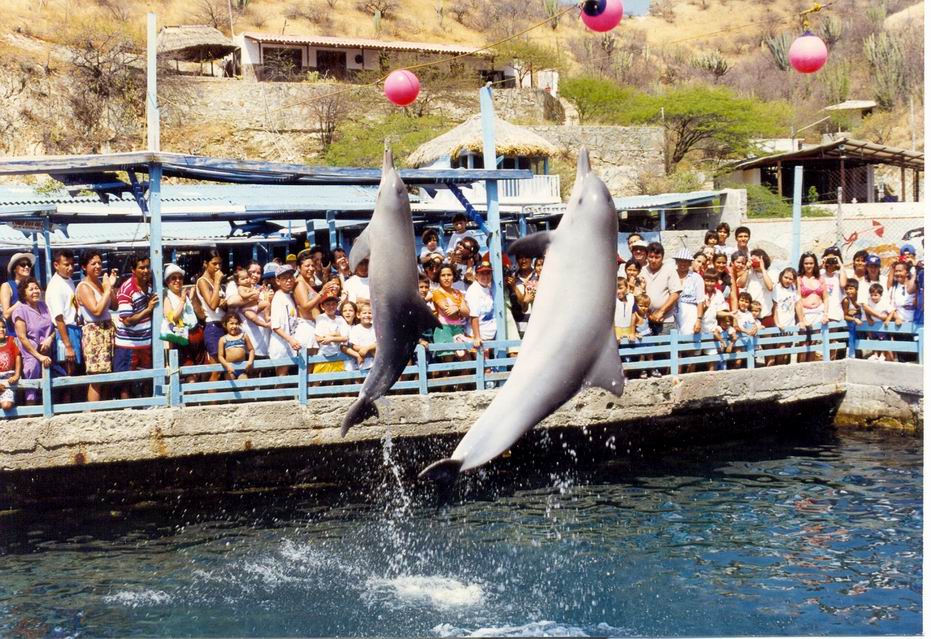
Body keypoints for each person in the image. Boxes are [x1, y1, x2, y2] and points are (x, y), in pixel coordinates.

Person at [114, 255, 158, 398]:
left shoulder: (152, 285)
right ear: (133, 270)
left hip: (146, 342)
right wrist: (148, 309)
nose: (146, 271)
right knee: (125, 382)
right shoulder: (127, 289)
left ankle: (147, 408)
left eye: (147, 267)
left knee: (146, 379)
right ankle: (127, 410)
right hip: (128, 344)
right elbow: (127, 320)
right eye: (141, 267)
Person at [76, 250, 118, 401]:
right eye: (93, 263)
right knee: (96, 377)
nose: (97, 266)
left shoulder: (101, 284)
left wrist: (110, 287)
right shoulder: (83, 286)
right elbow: (97, 310)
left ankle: (105, 411)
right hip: (94, 332)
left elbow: (114, 305)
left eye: (99, 263)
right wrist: (107, 289)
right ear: (83, 267)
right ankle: (93, 414)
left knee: (107, 376)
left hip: (107, 330)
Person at [12, 277, 54, 405]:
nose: (35, 291)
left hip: (48, 350)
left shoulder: (44, 306)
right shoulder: (20, 310)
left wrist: (49, 339)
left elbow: (54, 328)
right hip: (30, 353)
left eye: (37, 288)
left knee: (57, 375)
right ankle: (31, 415)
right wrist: (39, 356)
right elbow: (22, 337)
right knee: (33, 372)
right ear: (24, 293)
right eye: (31, 289)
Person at [45, 250, 82, 383]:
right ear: (56, 265)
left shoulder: (69, 281)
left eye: (72, 264)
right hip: (65, 332)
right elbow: (59, 318)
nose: (70, 268)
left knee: (76, 371)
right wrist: (68, 346)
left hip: (76, 329)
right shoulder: (56, 286)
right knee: (68, 373)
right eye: (66, 265)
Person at [163, 264, 204, 378]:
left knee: (201, 373)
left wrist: (192, 298)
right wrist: (182, 301)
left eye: (180, 278)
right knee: (189, 375)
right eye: (173, 278)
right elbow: (172, 317)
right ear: (167, 282)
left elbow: (200, 315)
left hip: (196, 335)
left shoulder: (186, 295)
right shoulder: (167, 298)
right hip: (182, 339)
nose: (178, 281)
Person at [269, 264, 307, 378]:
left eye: (290, 277)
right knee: (282, 376)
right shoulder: (278, 297)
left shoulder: (289, 295)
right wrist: (291, 340)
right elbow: (275, 326)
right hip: (281, 344)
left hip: (290, 343)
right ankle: (279, 396)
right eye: (284, 278)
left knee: (288, 377)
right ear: (278, 281)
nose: (288, 281)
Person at [196, 250, 227, 381]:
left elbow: (222, 305)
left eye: (219, 264)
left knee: (225, 369)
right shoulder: (203, 281)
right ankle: (209, 401)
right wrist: (217, 282)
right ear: (205, 264)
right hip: (212, 327)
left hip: (223, 325)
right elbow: (213, 305)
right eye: (214, 264)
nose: (218, 267)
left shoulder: (215, 282)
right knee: (217, 370)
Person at [430, 264, 470, 360]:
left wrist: (457, 308)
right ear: (438, 278)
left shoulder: (458, 292)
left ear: (453, 276)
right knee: (448, 361)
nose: (446, 278)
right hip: (444, 329)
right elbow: (449, 312)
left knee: (466, 359)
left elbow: (467, 313)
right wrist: (460, 307)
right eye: (443, 275)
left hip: (458, 328)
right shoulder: (437, 293)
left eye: (449, 275)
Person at [642, 242, 681, 339]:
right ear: (647, 257)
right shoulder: (642, 271)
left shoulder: (669, 270)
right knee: (648, 352)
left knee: (666, 351)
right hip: (646, 321)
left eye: (657, 257)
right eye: (651, 257)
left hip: (666, 321)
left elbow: (675, 294)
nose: (653, 260)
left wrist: (661, 311)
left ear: (662, 257)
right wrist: (649, 315)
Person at [797, 252, 829, 363]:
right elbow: (798, 300)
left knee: (814, 344)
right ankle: (800, 368)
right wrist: (802, 318)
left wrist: (825, 314)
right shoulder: (799, 279)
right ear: (802, 264)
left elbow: (825, 298)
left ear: (815, 264)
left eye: (811, 263)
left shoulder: (820, 279)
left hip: (818, 313)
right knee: (803, 344)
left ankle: (810, 368)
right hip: (805, 314)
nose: (809, 266)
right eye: (806, 263)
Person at [313, 293, 350, 377]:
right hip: (323, 355)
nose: (331, 307)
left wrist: (330, 338)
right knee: (317, 381)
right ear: (322, 307)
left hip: (337, 355)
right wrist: (337, 336)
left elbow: (345, 337)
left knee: (334, 381)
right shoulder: (321, 318)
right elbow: (319, 338)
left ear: (337, 305)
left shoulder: (340, 319)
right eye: (328, 304)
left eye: (333, 304)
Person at [466, 259, 496, 358]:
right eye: (482, 273)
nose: (485, 276)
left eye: (488, 273)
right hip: (479, 338)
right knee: (485, 369)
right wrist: (477, 337)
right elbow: (474, 316)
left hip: (489, 337)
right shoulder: (474, 290)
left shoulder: (488, 288)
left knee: (489, 369)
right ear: (476, 275)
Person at [770, 267, 800, 366]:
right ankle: (778, 368)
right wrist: (777, 322)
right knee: (781, 348)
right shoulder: (777, 288)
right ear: (781, 276)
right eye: (785, 277)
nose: (787, 280)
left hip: (790, 324)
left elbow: (796, 305)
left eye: (790, 279)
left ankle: (784, 368)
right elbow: (774, 307)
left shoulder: (793, 289)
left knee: (787, 349)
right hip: (780, 324)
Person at [672, 248, 702, 339]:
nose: (683, 264)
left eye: (686, 261)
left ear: (690, 263)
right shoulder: (671, 275)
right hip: (673, 309)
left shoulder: (696, 277)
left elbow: (700, 300)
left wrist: (698, 320)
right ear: (676, 262)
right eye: (680, 261)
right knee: (675, 337)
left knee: (689, 337)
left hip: (690, 310)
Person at [1, 252, 35, 332]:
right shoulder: (7, 286)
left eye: (29, 264)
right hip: (15, 336)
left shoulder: (32, 286)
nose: (27, 267)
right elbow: (6, 314)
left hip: (32, 335)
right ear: (14, 269)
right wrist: (21, 301)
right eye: (23, 264)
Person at [217, 313, 254, 381]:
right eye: (231, 323)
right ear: (225, 325)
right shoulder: (223, 339)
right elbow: (220, 356)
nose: (234, 326)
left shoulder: (243, 336)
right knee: (230, 384)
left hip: (242, 369)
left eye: (236, 324)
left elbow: (251, 349)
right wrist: (227, 365)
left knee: (244, 383)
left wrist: (250, 361)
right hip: (230, 369)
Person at [862, 283, 893, 361]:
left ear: (880, 295)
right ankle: (875, 354)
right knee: (874, 339)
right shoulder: (869, 301)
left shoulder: (884, 302)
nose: (873, 297)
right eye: (872, 295)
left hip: (882, 325)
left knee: (882, 339)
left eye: (875, 295)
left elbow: (892, 311)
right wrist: (869, 319)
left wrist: (887, 320)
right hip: (874, 325)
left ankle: (882, 354)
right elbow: (866, 310)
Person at [744, 249, 774, 327]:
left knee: (767, 338)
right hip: (751, 314)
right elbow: (740, 284)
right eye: (752, 261)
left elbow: (770, 287)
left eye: (756, 262)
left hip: (766, 314)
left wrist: (763, 269)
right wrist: (747, 268)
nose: (754, 264)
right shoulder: (750, 272)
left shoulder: (772, 272)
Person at [344, 301, 376, 372]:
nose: (367, 315)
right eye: (364, 313)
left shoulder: (376, 328)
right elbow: (354, 346)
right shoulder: (355, 329)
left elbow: (378, 343)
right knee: (361, 380)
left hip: (376, 362)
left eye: (370, 313)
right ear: (358, 315)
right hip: (363, 362)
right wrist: (364, 349)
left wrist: (367, 348)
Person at [821, 246, 847, 324]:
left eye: (833, 260)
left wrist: (840, 264)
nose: (831, 263)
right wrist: (822, 264)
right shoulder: (820, 273)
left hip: (835, 313)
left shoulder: (839, 274)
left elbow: (843, 284)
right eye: (829, 260)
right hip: (822, 313)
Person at [0, 320, 21, 411]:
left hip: (8, 378)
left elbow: (18, 357)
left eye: (3, 327)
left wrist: (17, 375)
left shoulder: (11, 340)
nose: (1, 330)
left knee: (6, 405)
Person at [614, 274, 636, 343]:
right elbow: (609, 319)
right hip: (616, 333)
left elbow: (633, 317)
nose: (618, 291)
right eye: (615, 288)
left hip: (628, 332)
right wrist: (614, 334)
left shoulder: (631, 298)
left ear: (627, 288)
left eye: (620, 288)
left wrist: (632, 333)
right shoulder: (611, 300)